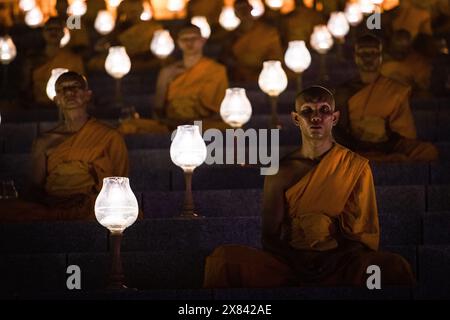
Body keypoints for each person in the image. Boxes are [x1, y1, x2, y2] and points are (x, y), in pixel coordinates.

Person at [203, 86, 415, 288]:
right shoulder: (280, 172)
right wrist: (298, 260)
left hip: (341, 265)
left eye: (324, 110)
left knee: (390, 268)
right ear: (296, 118)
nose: (316, 117)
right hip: (290, 265)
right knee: (223, 260)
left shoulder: (355, 167)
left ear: (335, 118)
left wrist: (332, 260)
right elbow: (269, 236)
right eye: (307, 111)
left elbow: (362, 236)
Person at [0, 72, 129, 222]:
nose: (69, 92)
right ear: (56, 100)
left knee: (120, 214)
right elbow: (34, 189)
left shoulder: (111, 137)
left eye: (75, 87)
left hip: (90, 206)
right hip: (51, 205)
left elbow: (119, 184)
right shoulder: (44, 141)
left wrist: (87, 200)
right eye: (62, 89)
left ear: (88, 95)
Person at [334, 34, 438, 162]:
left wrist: (383, 136)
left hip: (388, 146)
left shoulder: (396, 90)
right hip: (358, 149)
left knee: (428, 151)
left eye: (373, 53)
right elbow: (338, 132)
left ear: (381, 57)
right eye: (363, 53)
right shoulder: (344, 91)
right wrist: (363, 138)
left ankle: (382, 159)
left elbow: (404, 134)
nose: (368, 58)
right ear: (355, 57)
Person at [119, 23, 229, 134]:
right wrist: (163, 80)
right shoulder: (167, 71)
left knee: (232, 127)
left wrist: (196, 122)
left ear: (203, 41)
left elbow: (221, 111)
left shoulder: (217, 70)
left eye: (194, 38)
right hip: (172, 125)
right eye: (184, 39)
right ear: (178, 43)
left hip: (203, 124)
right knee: (128, 126)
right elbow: (157, 110)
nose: (189, 43)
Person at [21, 17, 85, 107]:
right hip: (39, 106)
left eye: (57, 29)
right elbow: (25, 87)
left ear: (63, 33)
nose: (53, 32)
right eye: (49, 29)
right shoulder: (33, 59)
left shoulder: (74, 59)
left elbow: (80, 86)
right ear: (43, 33)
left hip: (67, 106)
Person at [221, 0, 284, 82]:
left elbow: (275, 58)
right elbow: (225, 58)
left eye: (245, 7)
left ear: (251, 8)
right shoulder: (231, 36)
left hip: (263, 77)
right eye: (239, 9)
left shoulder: (268, 32)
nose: (243, 11)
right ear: (235, 13)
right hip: (239, 78)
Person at [381, 29, 434, 96]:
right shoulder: (380, 61)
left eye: (403, 51)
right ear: (391, 47)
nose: (399, 55)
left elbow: (425, 87)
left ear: (409, 49)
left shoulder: (418, 62)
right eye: (396, 51)